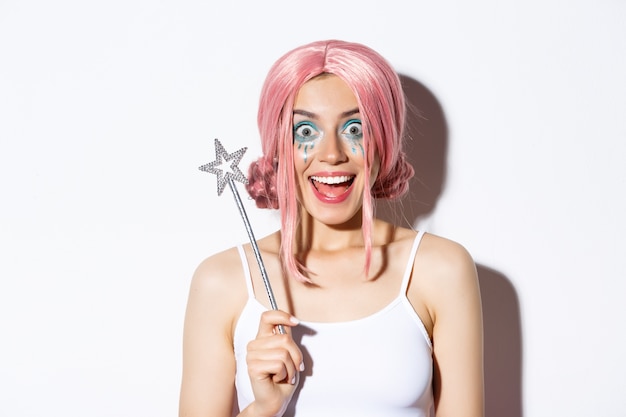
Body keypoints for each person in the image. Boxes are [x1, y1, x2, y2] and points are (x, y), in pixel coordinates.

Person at [179, 39, 484, 417]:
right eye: (306, 132)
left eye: (355, 128)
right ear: (279, 147)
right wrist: (263, 408)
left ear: (383, 142)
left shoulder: (440, 269)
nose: (332, 154)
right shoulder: (221, 281)